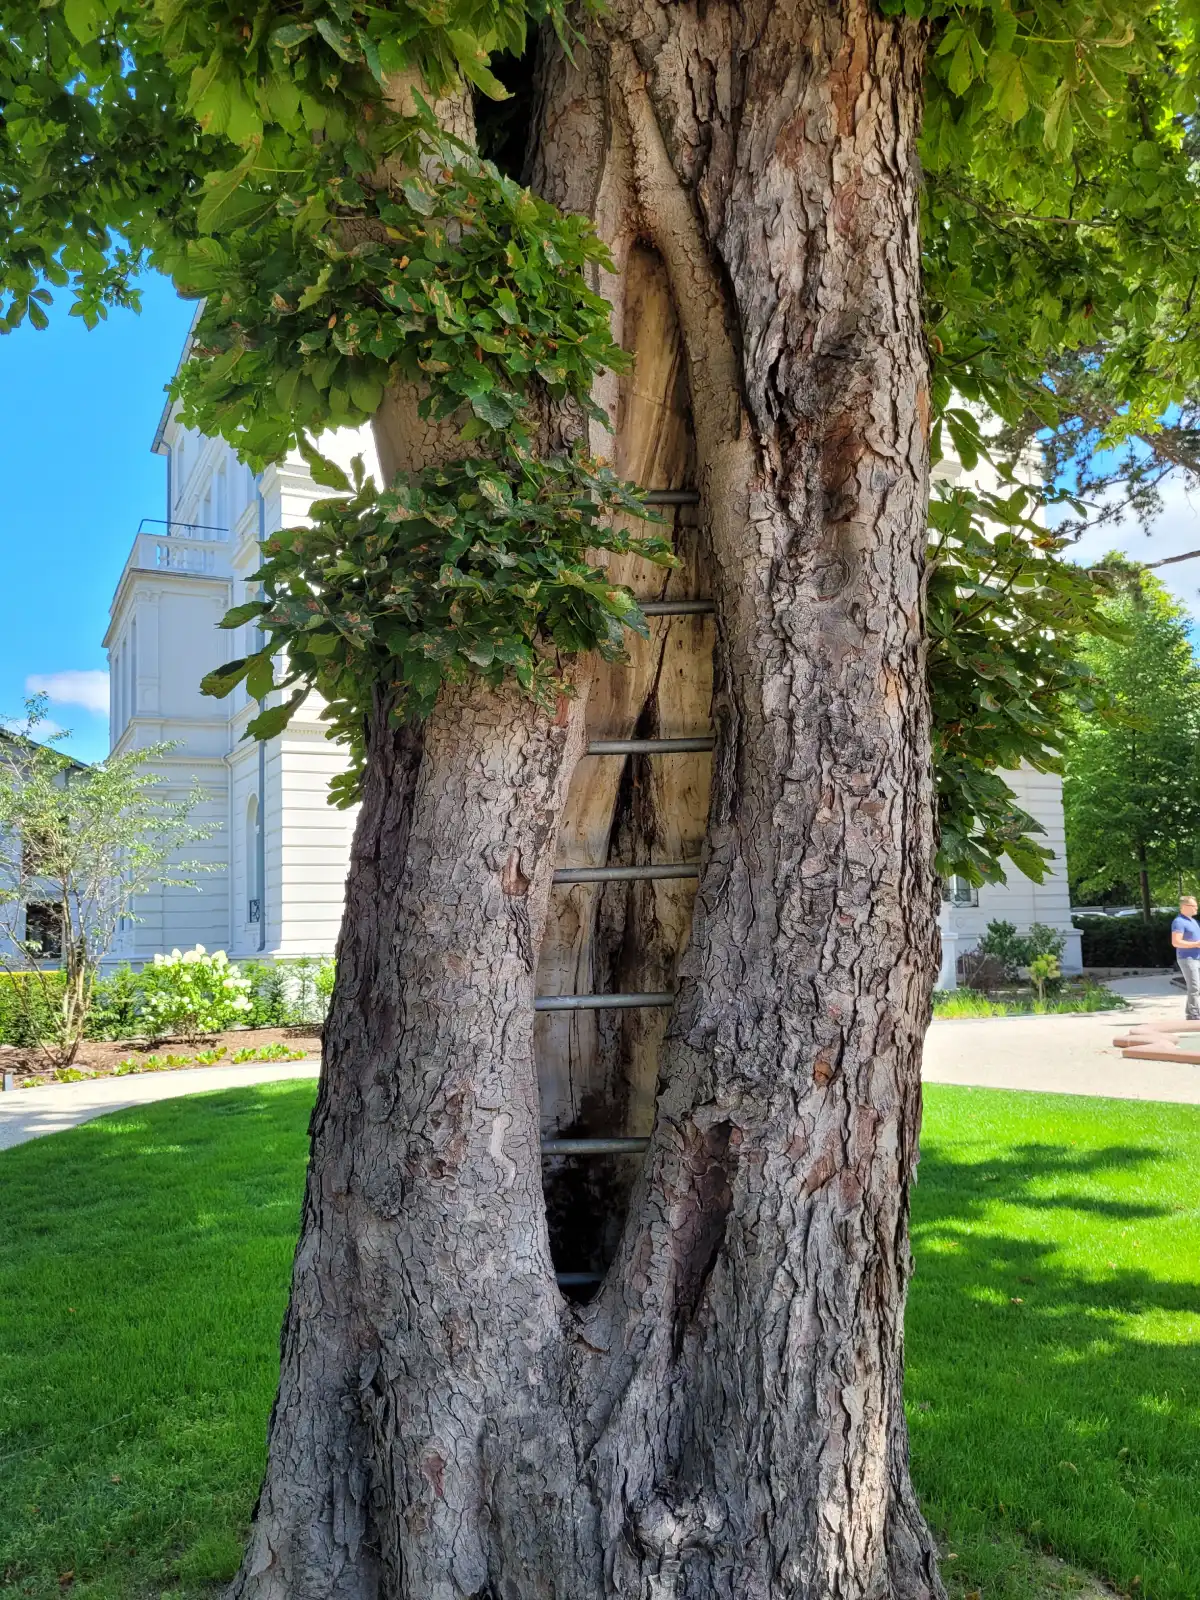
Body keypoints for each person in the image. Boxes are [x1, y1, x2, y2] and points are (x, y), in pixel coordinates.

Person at [1171, 895, 1200, 1020]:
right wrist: (1196, 944)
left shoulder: (1194, 922)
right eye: (1194, 906)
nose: (1196, 908)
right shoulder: (1179, 922)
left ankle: (1190, 1012)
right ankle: (1194, 1014)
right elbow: (1176, 942)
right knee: (1194, 987)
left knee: (1196, 986)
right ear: (1184, 907)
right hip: (1187, 958)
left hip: (1197, 958)